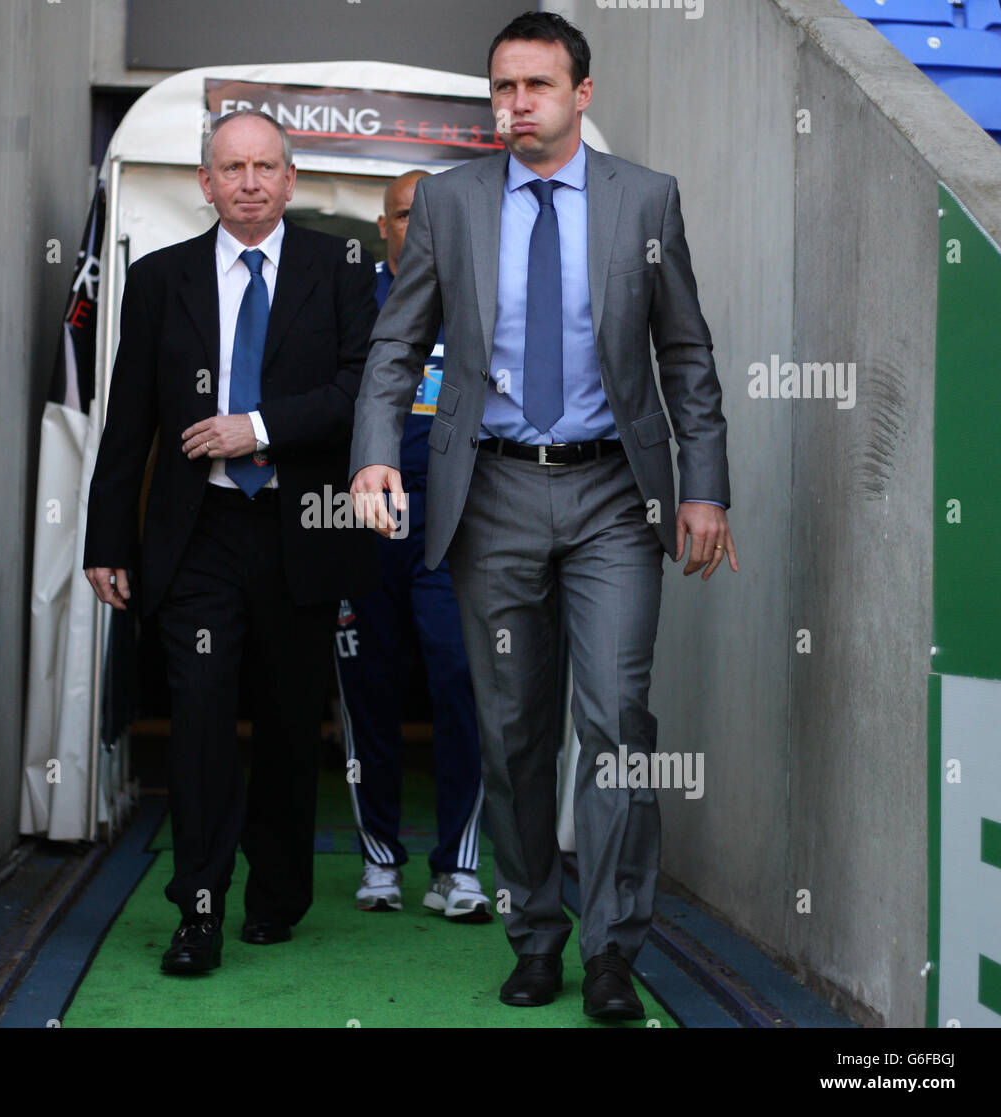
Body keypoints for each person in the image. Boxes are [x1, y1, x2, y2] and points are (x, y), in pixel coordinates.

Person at [350, 11, 737, 1021]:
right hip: (495, 497)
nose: (514, 105)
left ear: (580, 95)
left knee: (616, 722)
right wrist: (372, 460)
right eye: (502, 88)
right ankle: (534, 932)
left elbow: (685, 354)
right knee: (516, 728)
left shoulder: (645, 199)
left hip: (616, 494)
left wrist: (703, 487)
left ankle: (613, 948)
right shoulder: (448, 203)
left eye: (534, 86)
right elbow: (395, 351)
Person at [85, 109, 378, 975]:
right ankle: (199, 909)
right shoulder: (162, 278)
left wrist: (256, 425)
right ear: (205, 183)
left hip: (301, 530)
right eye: (232, 168)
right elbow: (127, 420)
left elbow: (359, 388)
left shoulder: (340, 268)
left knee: (290, 724)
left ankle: (278, 894)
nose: (249, 181)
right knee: (202, 721)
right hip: (199, 535)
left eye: (265, 167)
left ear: (291, 180)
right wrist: (107, 540)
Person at [335, 171, 490, 922]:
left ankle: (459, 866)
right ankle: (379, 860)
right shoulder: (348, 304)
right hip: (363, 523)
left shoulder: (482, 308)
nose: (418, 227)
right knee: (369, 690)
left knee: (462, 680)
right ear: (384, 227)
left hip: (453, 522)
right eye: (405, 215)